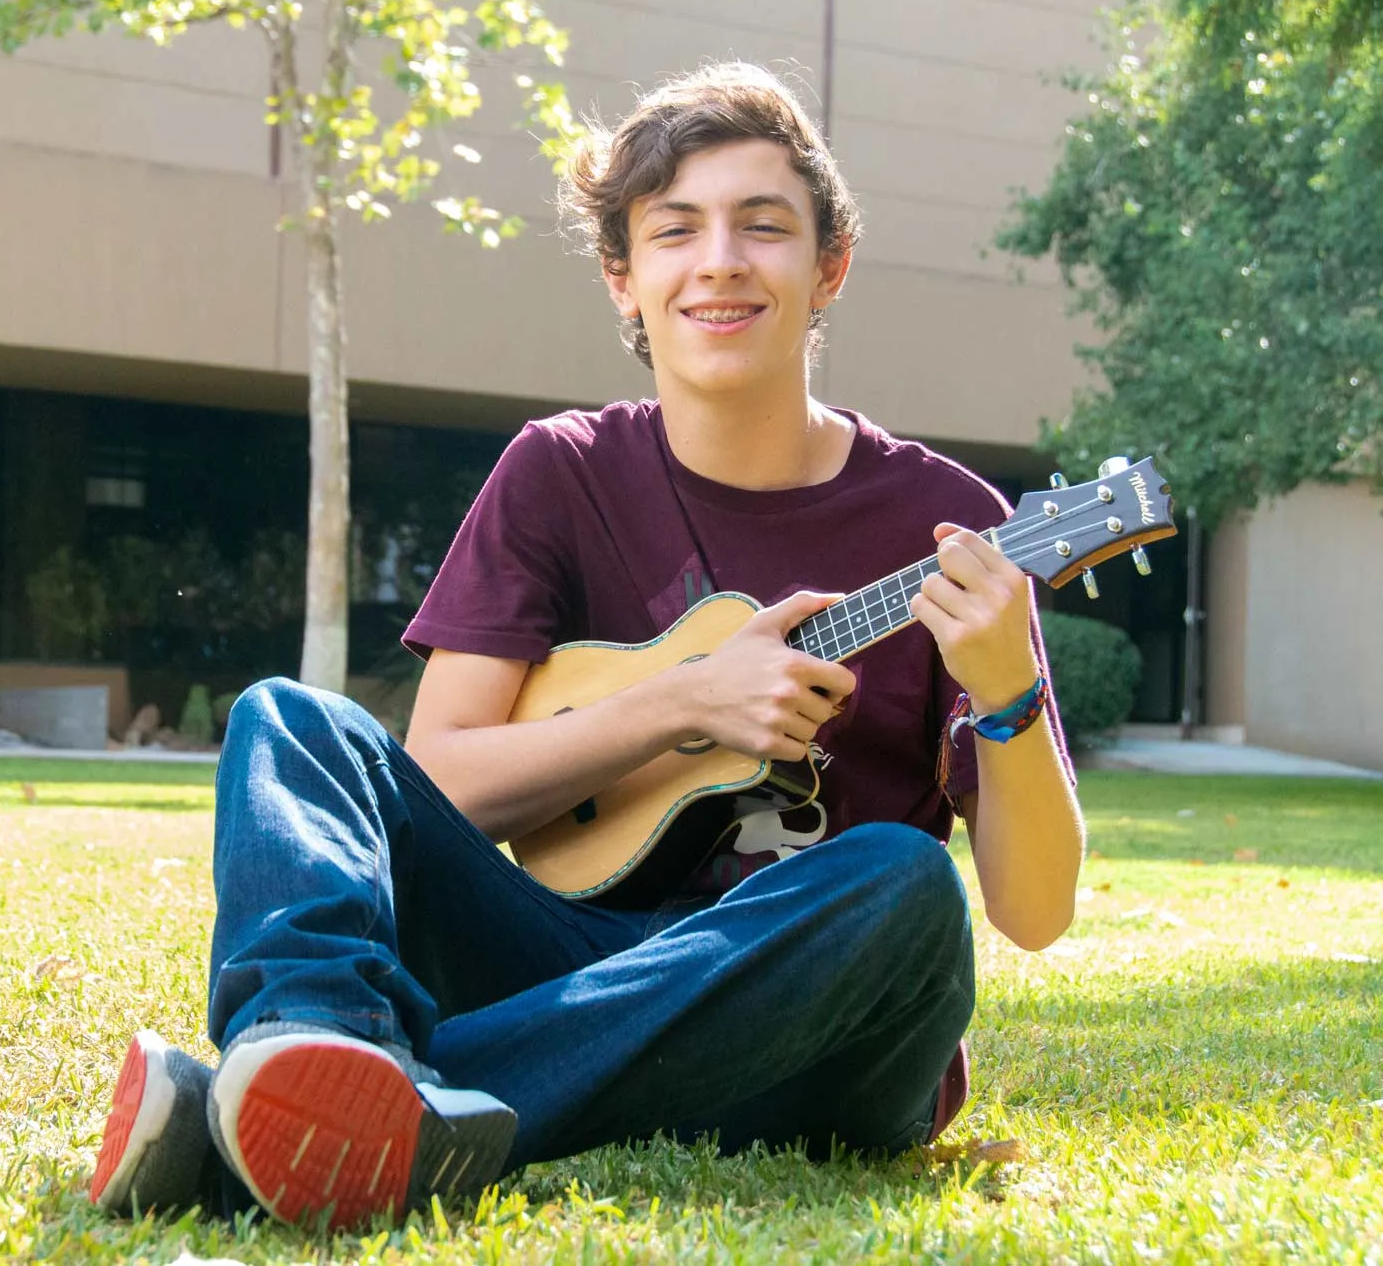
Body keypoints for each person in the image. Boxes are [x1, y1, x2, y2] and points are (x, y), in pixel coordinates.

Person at [84, 61, 1084, 1229]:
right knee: (290, 720)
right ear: (625, 279)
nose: (719, 260)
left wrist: (1008, 690)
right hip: (568, 956)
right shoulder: (559, 472)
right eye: (674, 231)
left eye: (764, 227)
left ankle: (323, 1110)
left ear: (829, 269)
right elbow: (442, 781)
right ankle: (315, 1040)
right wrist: (681, 705)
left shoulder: (948, 523)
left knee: (906, 884)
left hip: (817, 1025)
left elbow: (1035, 911)